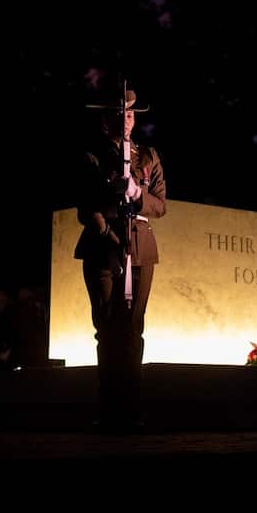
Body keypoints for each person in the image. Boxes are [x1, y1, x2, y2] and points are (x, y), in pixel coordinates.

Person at [75, 87, 166, 432]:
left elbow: (160, 205)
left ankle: (131, 409)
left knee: (133, 330)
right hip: (104, 244)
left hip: (141, 246)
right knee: (108, 329)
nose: (126, 120)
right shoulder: (92, 155)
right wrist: (110, 235)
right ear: (105, 121)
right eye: (119, 114)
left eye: (130, 114)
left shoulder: (149, 156)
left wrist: (136, 193)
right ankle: (109, 409)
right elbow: (86, 206)